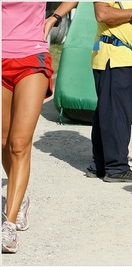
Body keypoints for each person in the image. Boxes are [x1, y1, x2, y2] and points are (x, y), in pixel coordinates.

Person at [2, 2, 77, 253]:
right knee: (3, 141)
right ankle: (20, 197)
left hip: (31, 56)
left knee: (19, 143)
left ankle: (9, 225)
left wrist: (54, 17)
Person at [85, 2, 132, 182]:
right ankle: (116, 167)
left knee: (108, 111)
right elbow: (102, 14)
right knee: (116, 113)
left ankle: (101, 164)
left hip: (123, 57)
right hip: (115, 57)